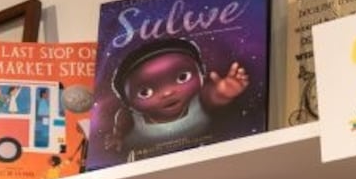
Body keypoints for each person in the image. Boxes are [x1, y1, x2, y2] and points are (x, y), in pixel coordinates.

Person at [104, 37, 249, 161]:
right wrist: (118, 135)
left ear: (201, 73)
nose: (167, 93)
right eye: (145, 92)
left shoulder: (197, 101)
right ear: (128, 102)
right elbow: (122, 119)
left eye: (182, 77)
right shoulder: (133, 116)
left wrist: (224, 92)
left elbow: (212, 97)